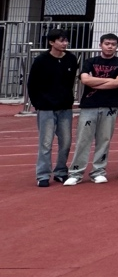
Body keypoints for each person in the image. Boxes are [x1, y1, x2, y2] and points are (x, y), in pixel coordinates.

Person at [66, 33, 118, 186]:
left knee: (104, 140)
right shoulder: (90, 62)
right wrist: (109, 80)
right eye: (107, 43)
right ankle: (76, 172)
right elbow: (85, 80)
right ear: (100, 45)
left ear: (117, 47)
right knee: (83, 140)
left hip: (111, 106)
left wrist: (95, 82)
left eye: (113, 44)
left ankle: (98, 171)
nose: (110, 47)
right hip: (89, 105)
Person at [29, 29, 79, 187]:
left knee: (66, 141)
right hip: (46, 108)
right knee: (46, 142)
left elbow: (70, 82)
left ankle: (61, 172)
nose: (65, 43)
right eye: (61, 40)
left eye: (66, 40)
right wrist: (38, 103)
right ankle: (43, 174)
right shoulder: (41, 60)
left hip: (65, 107)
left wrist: (68, 100)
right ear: (51, 42)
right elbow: (32, 84)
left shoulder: (71, 59)